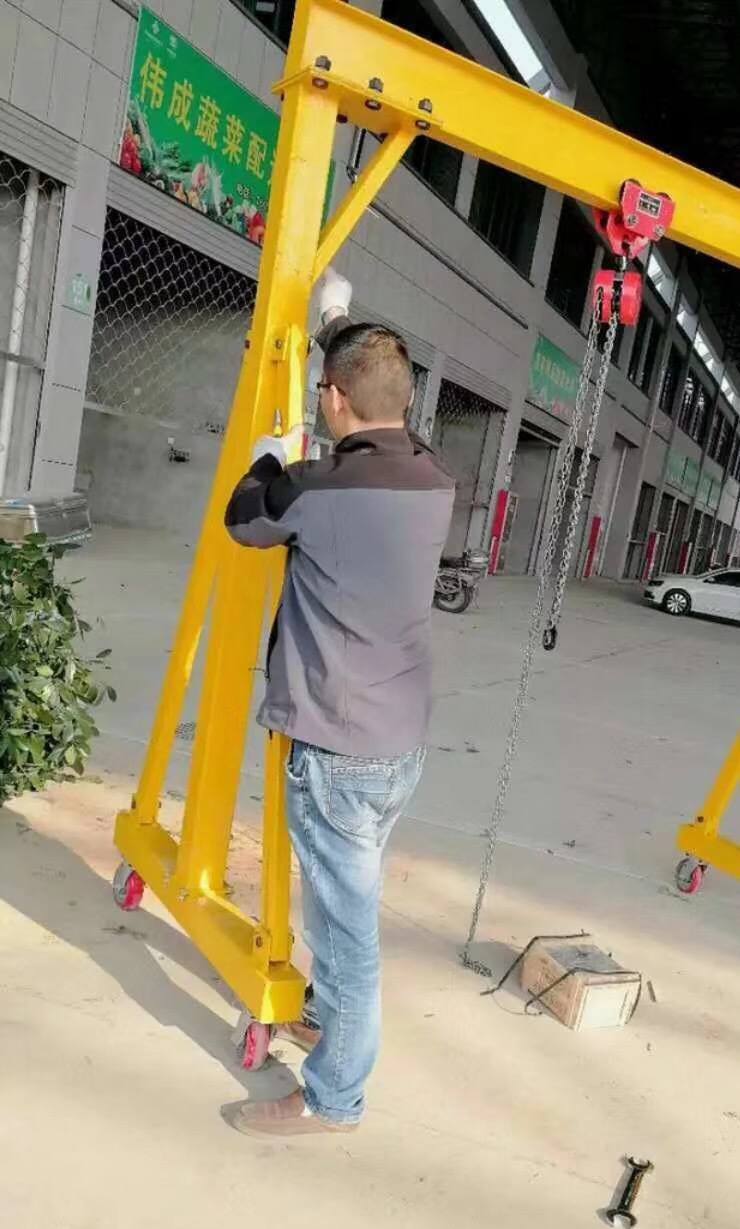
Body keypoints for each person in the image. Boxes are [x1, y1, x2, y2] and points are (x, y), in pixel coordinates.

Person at [224, 269, 455, 1137]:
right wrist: (336, 321)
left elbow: (245, 521)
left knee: (351, 941)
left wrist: (268, 456)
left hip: (337, 750)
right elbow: (378, 396)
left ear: (332, 399)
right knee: (339, 906)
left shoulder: (317, 489)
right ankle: (323, 1018)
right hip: (399, 744)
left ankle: (334, 1100)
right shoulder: (433, 478)